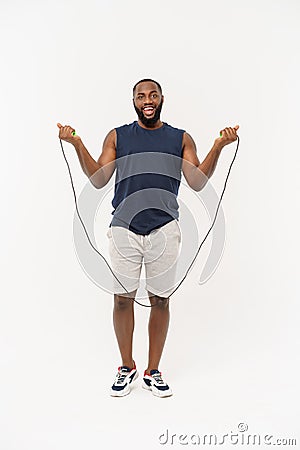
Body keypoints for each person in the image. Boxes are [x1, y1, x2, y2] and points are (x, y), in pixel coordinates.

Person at [57, 78, 239, 398]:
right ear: (134, 102)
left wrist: (218, 147)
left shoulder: (180, 138)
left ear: (162, 99)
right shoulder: (119, 135)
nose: (147, 99)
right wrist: (76, 143)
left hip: (165, 230)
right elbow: (99, 178)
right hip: (123, 228)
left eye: (152, 94)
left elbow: (196, 181)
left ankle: (153, 370)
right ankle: (126, 366)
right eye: (141, 96)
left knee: (160, 300)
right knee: (122, 299)